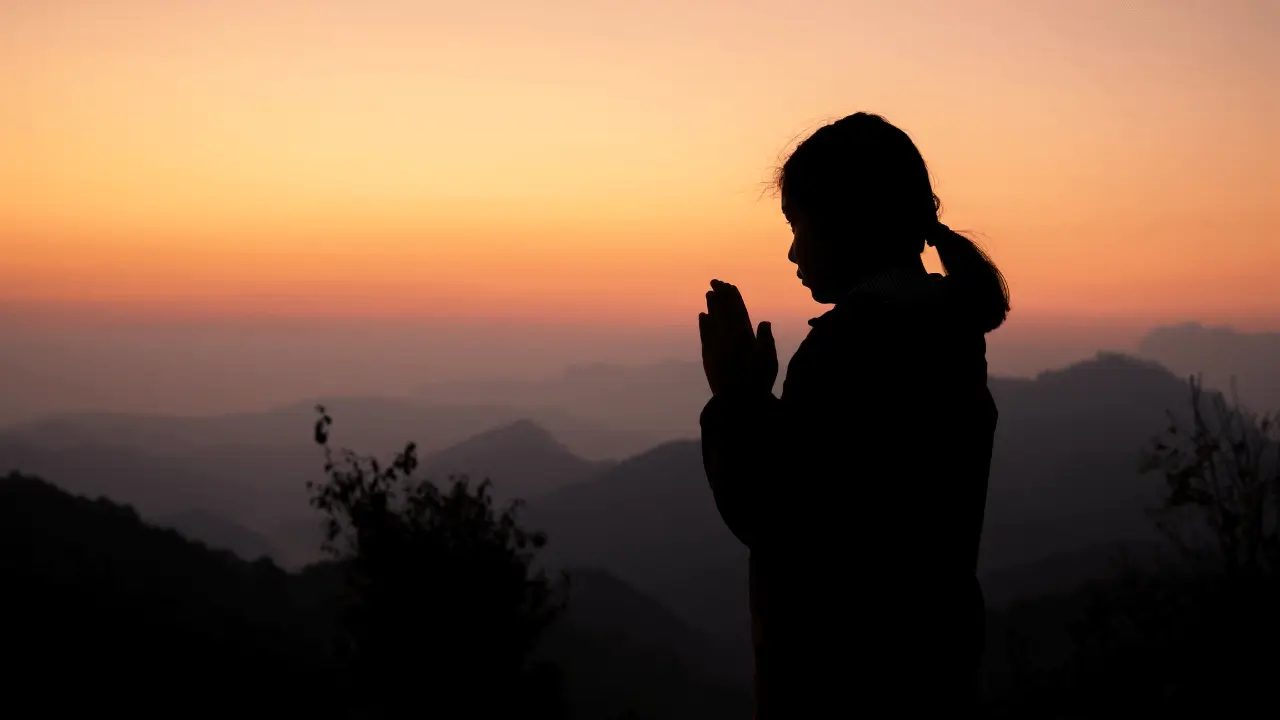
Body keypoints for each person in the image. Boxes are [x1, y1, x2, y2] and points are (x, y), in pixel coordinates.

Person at [698, 112, 1008, 717]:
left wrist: (736, 398)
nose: (792, 250)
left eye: (798, 225)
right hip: (934, 671)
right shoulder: (945, 333)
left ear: (847, 222)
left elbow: (785, 522)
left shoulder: (853, 349)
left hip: (845, 683)